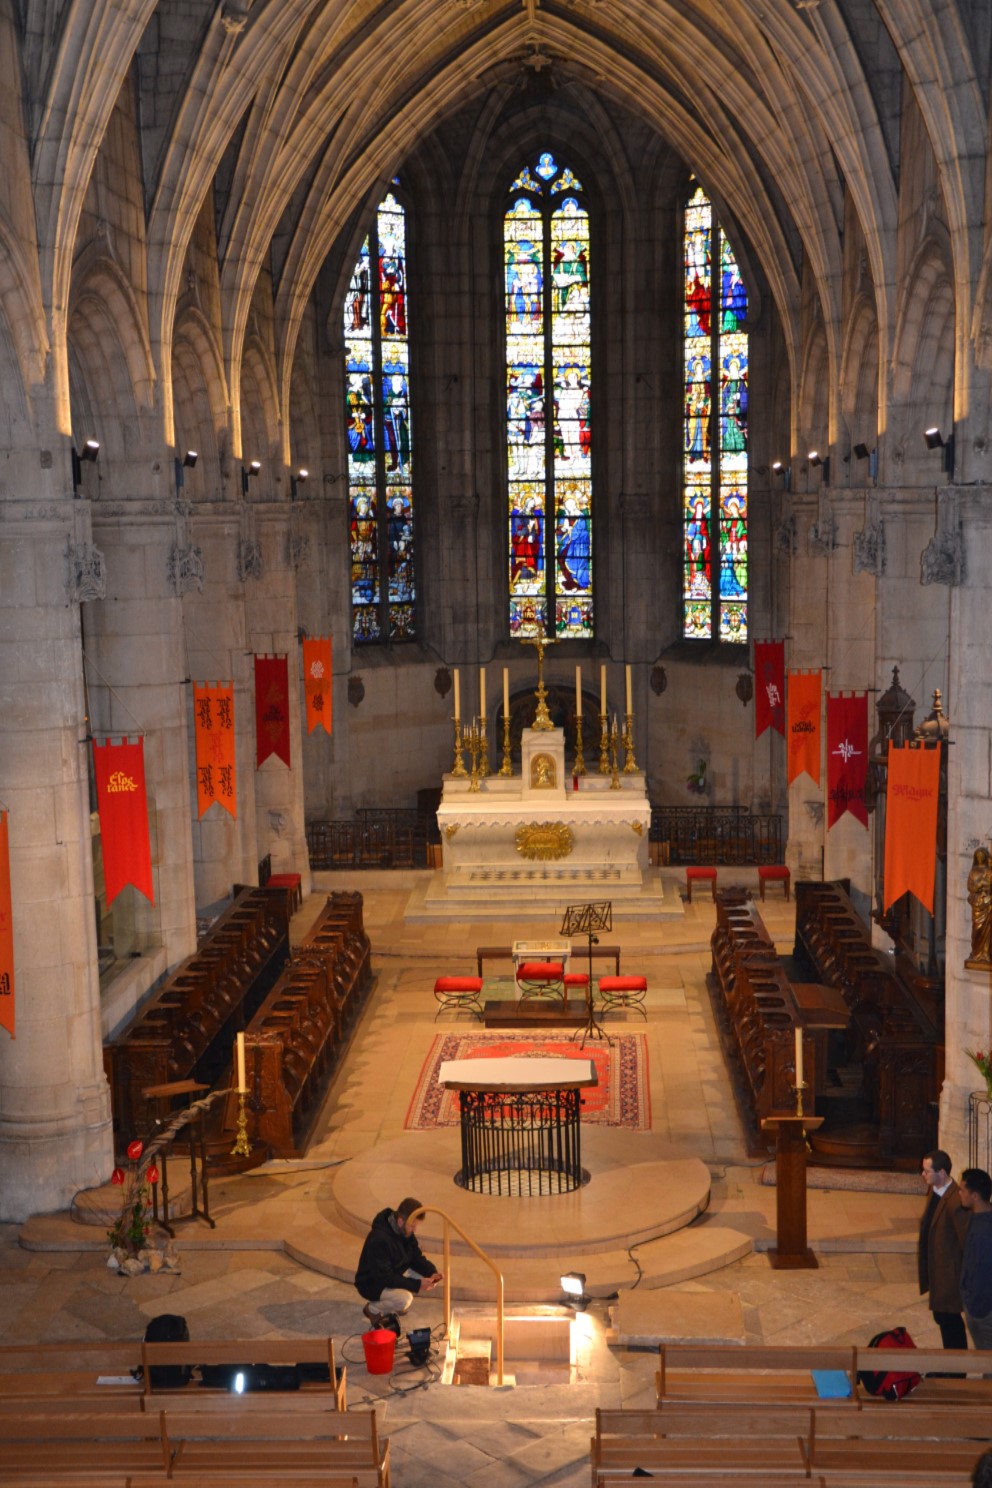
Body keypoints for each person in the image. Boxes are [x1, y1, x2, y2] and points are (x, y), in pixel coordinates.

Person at [355, 1197, 442, 1332]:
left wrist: (431, 1272)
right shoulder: (379, 1239)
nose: (415, 1230)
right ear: (400, 1221)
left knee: (423, 1276)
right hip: (372, 1283)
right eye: (413, 1226)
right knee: (404, 1300)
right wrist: (417, 1285)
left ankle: (391, 1302)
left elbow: (415, 1256)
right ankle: (372, 1309)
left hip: (393, 1271)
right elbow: (385, 1277)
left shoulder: (404, 1231)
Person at [919, 1148, 970, 1349]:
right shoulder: (935, 1190)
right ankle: (950, 1365)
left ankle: (957, 1370)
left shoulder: (956, 1202)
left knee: (950, 1321)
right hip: (937, 1269)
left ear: (941, 1173)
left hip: (949, 1274)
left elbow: (965, 1241)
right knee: (941, 1318)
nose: (923, 1175)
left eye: (926, 1171)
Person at [958, 1168, 992, 1349]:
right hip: (977, 1305)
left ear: (975, 1196)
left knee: (987, 1363)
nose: (959, 1193)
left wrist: (974, 1307)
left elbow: (984, 1273)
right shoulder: (978, 1217)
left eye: (963, 1190)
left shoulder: (984, 1232)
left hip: (983, 1311)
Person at [967, 847, 992, 966]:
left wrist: (984, 885)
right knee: (977, 929)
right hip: (977, 905)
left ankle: (985, 953)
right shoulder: (973, 871)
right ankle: (977, 952)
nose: (980, 857)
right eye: (979, 855)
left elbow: (990, 885)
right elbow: (970, 887)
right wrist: (979, 886)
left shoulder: (989, 871)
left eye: (982, 855)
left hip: (987, 903)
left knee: (987, 929)